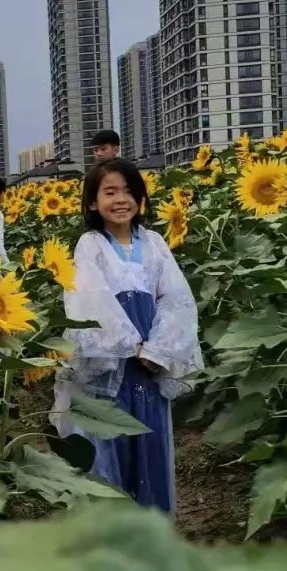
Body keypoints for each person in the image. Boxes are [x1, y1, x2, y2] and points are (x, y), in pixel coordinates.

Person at [51, 159, 202, 512]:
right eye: (110, 192)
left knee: (149, 440)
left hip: (149, 362)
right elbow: (89, 300)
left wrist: (158, 349)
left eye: (129, 191)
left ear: (141, 198)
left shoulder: (153, 243)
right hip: (111, 364)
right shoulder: (91, 244)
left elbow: (177, 298)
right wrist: (126, 345)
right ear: (92, 202)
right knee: (110, 437)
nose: (122, 199)